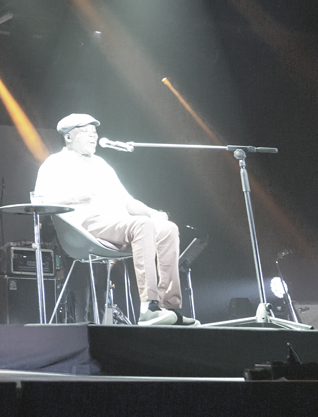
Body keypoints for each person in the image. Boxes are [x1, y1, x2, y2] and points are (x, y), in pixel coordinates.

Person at [33, 113, 197, 326]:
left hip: (118, 224)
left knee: (167, 228)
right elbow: (40, 201)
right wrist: (76, 197)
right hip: (85, 227)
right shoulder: (54, 163)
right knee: (142, 225)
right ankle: (148, 307)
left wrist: (151, 212)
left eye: (95, 132)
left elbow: (127, 201)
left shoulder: (101, 164)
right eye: (86, 132)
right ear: (69, 137)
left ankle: (169, 308)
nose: (93, 137)